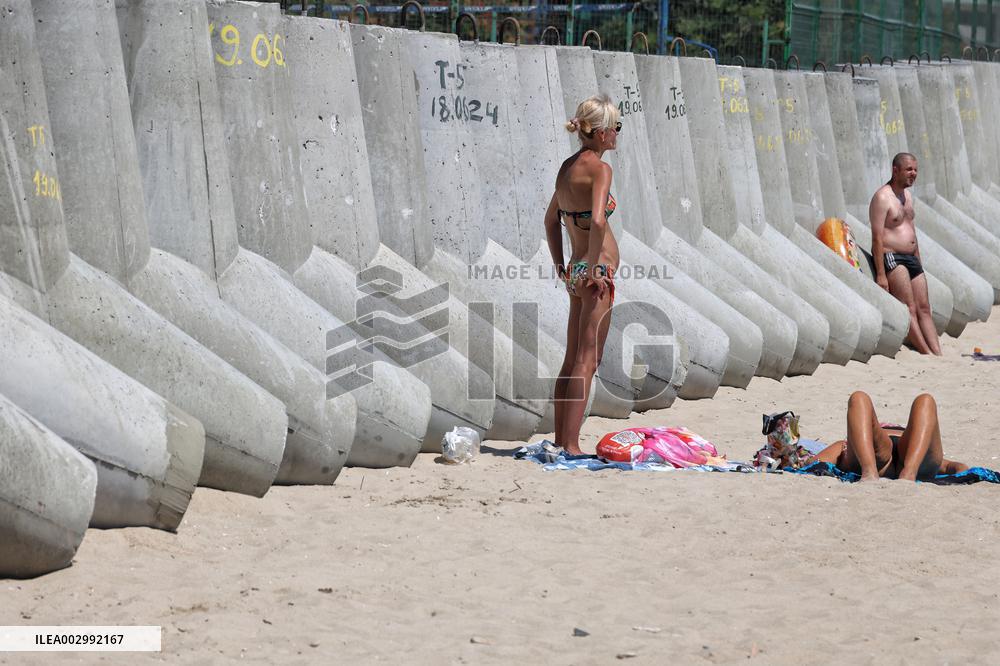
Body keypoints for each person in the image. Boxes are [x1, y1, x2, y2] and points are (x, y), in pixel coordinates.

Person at [542, 94, 622, 455]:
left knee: (572, 356)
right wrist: (593, 268)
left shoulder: (566, 168)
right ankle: (572, 445)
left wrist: (564, 268)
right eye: (615, 127)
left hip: (577, 269)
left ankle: (561, 439)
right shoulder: (600, 170)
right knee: (588, 359)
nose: (618, 133)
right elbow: (600, 220)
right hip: (595, 273)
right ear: (601, 133)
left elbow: (550, 221)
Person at [869, 152, 941, 355]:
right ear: (895, 170)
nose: (914, 174)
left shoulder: (907, 196)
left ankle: (938, 353)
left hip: (912, 258)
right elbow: (877, 238)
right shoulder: (882, 197)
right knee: (909, 307)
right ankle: (926, 352)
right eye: (909, 169)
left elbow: (911, 229)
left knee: (924, 307)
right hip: (893, 257)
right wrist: (881, 275)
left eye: (916, 170)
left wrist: (918, 258)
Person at [810, 391, 968, 481]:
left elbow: (815, 462)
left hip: (874, 456)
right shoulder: (917, 438)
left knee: (859, 398)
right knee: (925, 401)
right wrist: (961, 474)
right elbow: (952, 467)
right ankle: (909, 473)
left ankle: (869, 471)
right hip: (912, 458)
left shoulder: (848, 443)